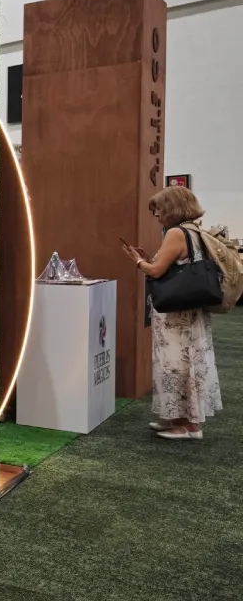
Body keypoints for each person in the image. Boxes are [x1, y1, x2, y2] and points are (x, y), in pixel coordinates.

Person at [124, 185, 222, 440]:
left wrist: (137, 260)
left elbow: (156, 272)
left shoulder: (176, 233)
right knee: (187, 365)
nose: (155, 214)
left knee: (175, 365)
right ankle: (182, 420)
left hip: (176, 316)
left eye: (158, 209)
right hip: (190, 311)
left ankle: (186, 425)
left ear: (172, 207)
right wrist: (150, 259)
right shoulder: (194, 231)